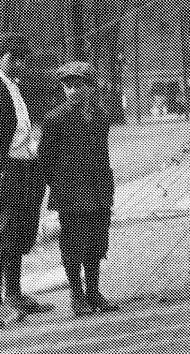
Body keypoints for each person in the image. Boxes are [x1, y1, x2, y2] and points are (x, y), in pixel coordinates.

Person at [40, 61, 118, 317]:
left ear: (90, 87)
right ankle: (77, 295)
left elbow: (102, 153)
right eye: (68, 85)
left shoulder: (101, 116)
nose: (73, 90)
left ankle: (94, 291)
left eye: (78, 85)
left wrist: (105, 184)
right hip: (71, 191)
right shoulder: (55, 119)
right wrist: (61, 186)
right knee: (74, 243)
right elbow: (45, 159)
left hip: (99, 188)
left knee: (97, 240)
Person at [0, 33, 53, 324]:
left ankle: (15, 293)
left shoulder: (14, 87)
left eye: (22, 59)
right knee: (5, 231)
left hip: (23, 169)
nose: (20, 65)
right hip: (7, 170)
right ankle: (3, 301)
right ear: (5, 57)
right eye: (16, 59)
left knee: (19, 232)